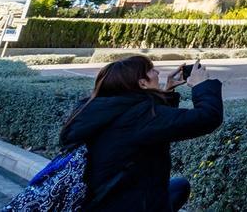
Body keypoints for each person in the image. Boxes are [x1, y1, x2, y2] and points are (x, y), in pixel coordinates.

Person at [59, 55, 222, 211]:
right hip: (127, 205)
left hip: (99, 202)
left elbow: (156, 128)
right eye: (151, 70)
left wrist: (167, 92)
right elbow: (207, 118)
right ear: (143, 83)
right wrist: (202, 85)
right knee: (177, 188)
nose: (157, 73)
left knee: (178, 186)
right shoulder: (138, 117)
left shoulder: (101, 109)